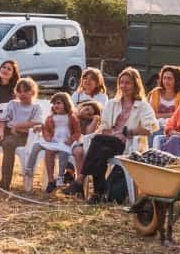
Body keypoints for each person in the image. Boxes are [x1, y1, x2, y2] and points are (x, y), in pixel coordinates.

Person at [68, 67, 159, 203]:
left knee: (97, 139)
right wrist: (110, 132)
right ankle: (98, 194)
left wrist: (129, 131)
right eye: (121, 82)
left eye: (128, 83)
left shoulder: (143, 106)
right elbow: (104, 125)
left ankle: (80, 180)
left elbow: (151, 127)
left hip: (128, 144)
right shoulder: (112, 104)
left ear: (135, 85)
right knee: (102, 152)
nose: (124, 86)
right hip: (109, 141)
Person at [0, 76, 45, 198]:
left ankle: (5, 183)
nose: (22, 94)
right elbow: (3, 119)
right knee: (0, 139)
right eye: (19, 91)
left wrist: (17, 126)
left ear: (33, 92)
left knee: (8, 143)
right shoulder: (13, 104)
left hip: (26, 136)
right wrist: (1, 131)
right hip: (9, 133)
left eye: (26, 91)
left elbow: (37, 123)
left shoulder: (36, 107)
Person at [30, 92, 81, 194]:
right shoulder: (50, 118)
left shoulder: (71, 117)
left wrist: (71, 139)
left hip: (66, 142)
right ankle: (50, 179)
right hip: (54, 142)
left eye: (58, 103)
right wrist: (44, 132)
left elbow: (77, 131)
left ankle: (60, 177)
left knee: (63, 153)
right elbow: (45, 128)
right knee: (49, 152)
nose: (55, 106)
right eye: (54, 104)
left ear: (66, 104)